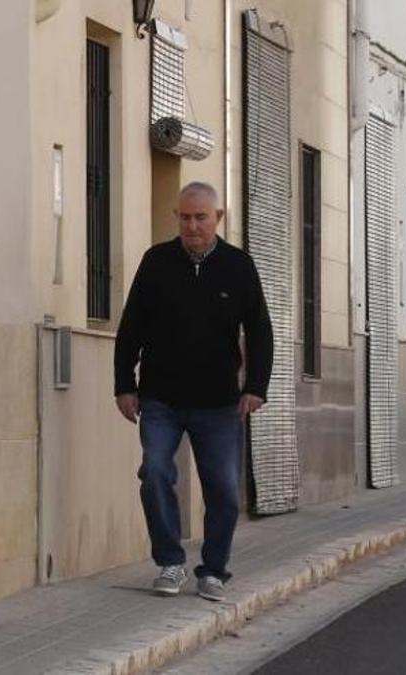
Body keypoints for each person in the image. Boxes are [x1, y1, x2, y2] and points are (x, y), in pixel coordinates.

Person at [114, 182, 273, 601]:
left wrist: (256, 386)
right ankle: (170, 561)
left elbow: (260, 330)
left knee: (221, 487)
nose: (192, 226)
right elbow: (131, 326)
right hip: (161, 398)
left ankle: (214, 569)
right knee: (155, 472)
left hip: (219, 402)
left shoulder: (239, 266)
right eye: (184, 217)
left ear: (217, 218)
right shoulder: (156, 262)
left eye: (201, 217)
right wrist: (124, 385)